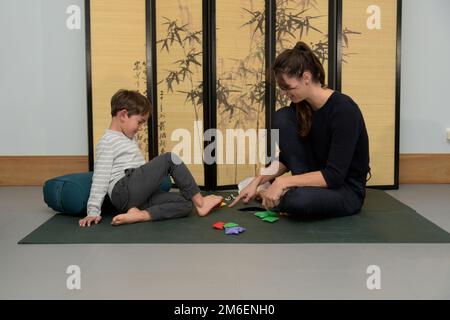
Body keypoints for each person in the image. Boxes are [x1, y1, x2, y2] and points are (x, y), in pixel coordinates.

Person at [230, 41, 370, 219]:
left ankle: (281, 193)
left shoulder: (344, 110)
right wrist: (259, 180)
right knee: (282, 116)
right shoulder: (301, 107)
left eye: (288, 87)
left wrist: (282, 182)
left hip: (344, 189)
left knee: (299, 200)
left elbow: (334, 176)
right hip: (312, 180)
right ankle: (276, 191)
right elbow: (289, 158)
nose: (284, 93)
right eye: (282, 89)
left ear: (306, 77)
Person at [79, 89, 223, 227]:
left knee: (186, 204)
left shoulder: (128, 138)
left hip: (137, 196)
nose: (140, 128)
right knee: (170, 159)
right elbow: (100, 177)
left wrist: (151, 181)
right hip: (123, 191)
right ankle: (201, 203)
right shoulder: (107, 141)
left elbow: (140, 168)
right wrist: (92, 211)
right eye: (139, 122)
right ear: (123, 115)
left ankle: (141, 215)